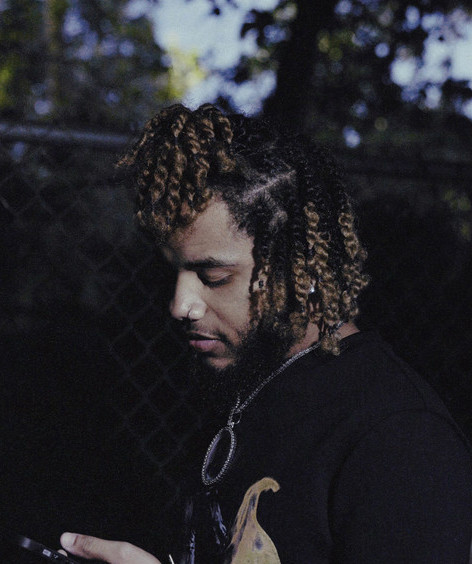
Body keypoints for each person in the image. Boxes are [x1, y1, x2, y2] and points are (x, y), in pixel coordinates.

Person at [58, 104, 472, 563]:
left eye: (214, 277)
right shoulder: (247, 385)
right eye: (172, 272)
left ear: (301, 268)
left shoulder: (398, 438)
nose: (180, 305)